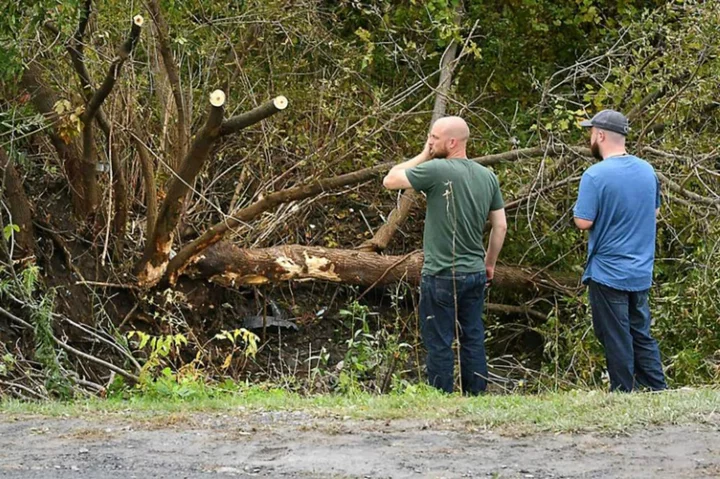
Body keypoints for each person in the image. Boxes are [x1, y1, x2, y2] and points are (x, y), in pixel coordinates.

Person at [383, 116, 507, 395]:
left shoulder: (437, 169)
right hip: (474, 272)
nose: (430, 142)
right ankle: (476, 396)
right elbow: (500, 226)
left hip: (440, 273)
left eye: (434, 138)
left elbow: (390, 180)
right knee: (472, 337)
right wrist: (489, 264)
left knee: (439, 340)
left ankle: (441, 397)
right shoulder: (487, 176)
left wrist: (424, 154)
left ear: (452, 142)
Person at [574, 109, 667, 392]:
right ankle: (656, 387)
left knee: (615, 335)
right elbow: (654, 211)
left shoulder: (595, 175)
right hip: (640, 269)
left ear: (600, 135)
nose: (590, 138)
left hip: (608, 271)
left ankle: (623, 391)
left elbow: (583, 221)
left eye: (591, 133)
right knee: (640, 332)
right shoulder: (647, 170)